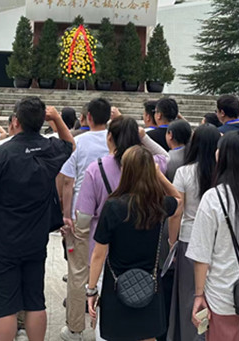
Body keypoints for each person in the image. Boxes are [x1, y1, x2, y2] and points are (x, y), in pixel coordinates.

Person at [0, 98, 75, 341]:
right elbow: (70, 144)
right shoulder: (49, 149)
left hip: (4, 237)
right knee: (35, 300)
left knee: (5, 306)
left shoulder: (2, 153)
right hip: (36, 237)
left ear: (15, 121)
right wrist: (57, 118)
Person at [86, 146, 182, 341]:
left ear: (125, 170)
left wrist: (91, 289)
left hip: (116, 285)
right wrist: (159, 176)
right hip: (150, 283)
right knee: (148, 336)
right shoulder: (158, 204)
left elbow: (98, 254)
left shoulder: (113, 206)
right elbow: (179, 200)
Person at [187, 131, 239, 341]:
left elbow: (201, 254)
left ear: (221, 156)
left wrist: (199, 294)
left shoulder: (213, 198)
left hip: (222, 290)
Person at [77, 117, 168, 258]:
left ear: (109, 137)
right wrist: (144, 137)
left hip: (104, 250)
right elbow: (165, 157)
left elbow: (84, 217)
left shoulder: (95, 169)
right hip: (142, 247)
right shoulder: (149, 164)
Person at [60, 98, 112, 341]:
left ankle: (75, 328)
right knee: (107, 269)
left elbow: (68, 182)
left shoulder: (77, 142)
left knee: (78, 272)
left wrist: (65, 214)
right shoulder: (116, 141)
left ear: (88, 117)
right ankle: (104, 322)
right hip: (112, 214)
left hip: (81, 216)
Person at [168, 124, 221, 341]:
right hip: (218, 241)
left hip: (189, 239)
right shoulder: (222, 173)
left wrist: (172, 242)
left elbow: (177, 212)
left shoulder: (184, 172)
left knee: (190, 297)